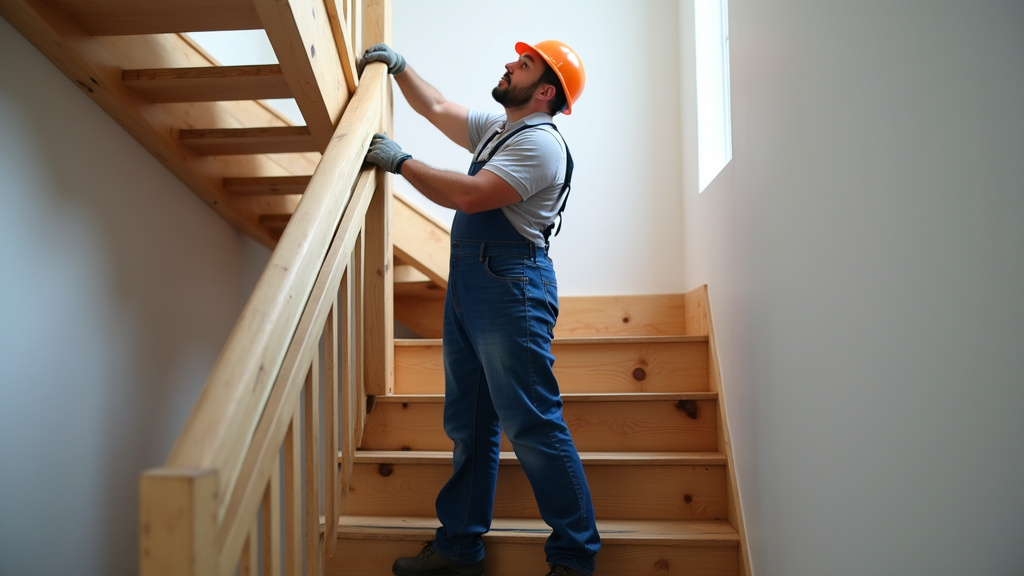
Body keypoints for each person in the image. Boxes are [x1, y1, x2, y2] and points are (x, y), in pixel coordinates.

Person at [360, 40, 599, 576]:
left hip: (512, 282)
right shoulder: (500, 128)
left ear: (543, 91)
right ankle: (458, 550)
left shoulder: (542, 145)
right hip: (472, 278)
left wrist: (401, 162)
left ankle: (574, 558)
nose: (510, 63)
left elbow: (471, 195)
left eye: (525, 63)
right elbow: (438, 107)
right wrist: (400, 67)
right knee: (468, 422)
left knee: (531, 422)